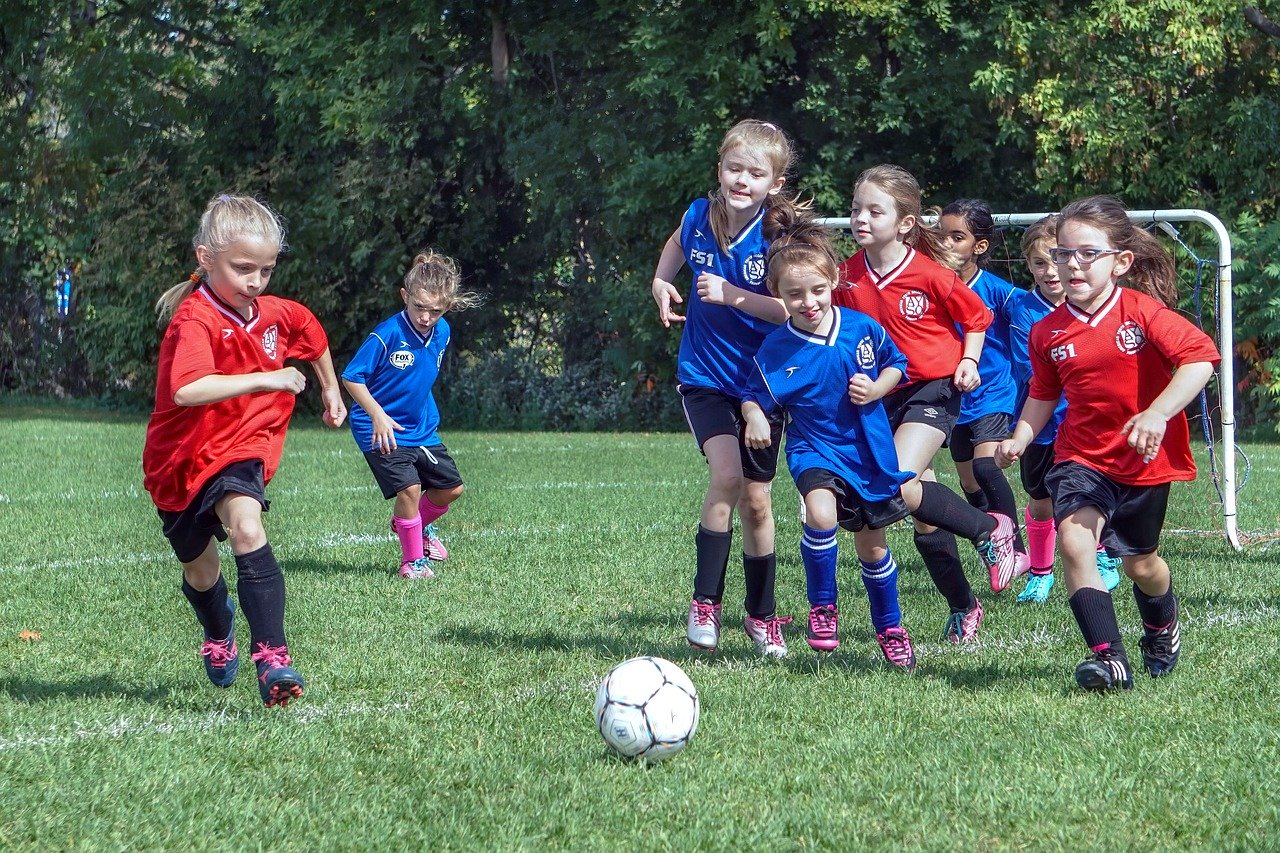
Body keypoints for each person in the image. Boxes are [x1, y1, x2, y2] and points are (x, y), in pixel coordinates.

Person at [996, 196, 1219, 691]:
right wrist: (1020, 436)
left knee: (1142, 563)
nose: (1071, 263)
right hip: (1080, 455)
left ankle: (1161, 624)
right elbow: (1043, 392)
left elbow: (1201, 359)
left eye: (1087, 253)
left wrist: (1157, 413)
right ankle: (1109, 658)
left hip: (1143, 462)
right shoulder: (1047, 330)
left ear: (1120, 262)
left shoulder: (1142, 312)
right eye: (1062, 254)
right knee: (1074, 537)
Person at [143, 193, 347, 708]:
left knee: (248, 527)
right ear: (204, 258)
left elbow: (311, 332)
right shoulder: (196, 320)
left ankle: (273, 658)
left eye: (266, 269)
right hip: (179, 461)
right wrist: (268, 378)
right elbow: (188, 390)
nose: (255, 281)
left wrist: (330, 389)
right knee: (201, 570)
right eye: (242, 268)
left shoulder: (274, 313)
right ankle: (218, 628)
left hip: (240, 450)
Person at [833, 165, 1023, 643]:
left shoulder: (929, 272)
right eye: (856, 208)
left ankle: (989, 531)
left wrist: (970, 360)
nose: (860, 218)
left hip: (934, 387)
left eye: (875, 210)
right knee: (919, 508)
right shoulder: (846, 277)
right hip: (881, 395)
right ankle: (964, 606)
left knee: (896, 479)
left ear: (905, 223)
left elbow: (975, 316)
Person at [649, 119, 801, 657]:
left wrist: (734, 295)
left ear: (773, 184)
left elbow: (790, 310)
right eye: (734, 168)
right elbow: (676, 242)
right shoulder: (699, 214)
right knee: (728, 476)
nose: (742, 180)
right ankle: (705, 604)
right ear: (720, 169)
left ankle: (762, 617)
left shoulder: (778, 238)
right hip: (706, 377)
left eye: (755, 173)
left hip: (763, 381)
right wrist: (663, 278)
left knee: (758, 502)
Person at [741, 220, 918, 669]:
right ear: (778, 295)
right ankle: (823, 608)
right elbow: (751, 395)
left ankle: (890, 628)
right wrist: (756, 416)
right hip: (814, 448)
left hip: (869, 452)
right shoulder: (777, 348)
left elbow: (897, 364)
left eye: (817, 290)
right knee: (820, 513)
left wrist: (878, 388)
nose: (808, 302)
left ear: (834, 281)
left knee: (872, 547)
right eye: (795, 295)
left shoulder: (862, 329)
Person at [342, 251, 480, 579]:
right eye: (419, 307)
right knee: (410, 490)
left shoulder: (442, 331)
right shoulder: (387, 333)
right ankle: (413, 562)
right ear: (405, 296)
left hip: (420, 427)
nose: (426, 317)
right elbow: (351, 376)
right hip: (378, 426)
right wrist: (376, 414)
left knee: (451, 489)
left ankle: (413, 524)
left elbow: (420, 375)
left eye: (436, 310)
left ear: (448, 307)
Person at [1007, 216, 1122, 603]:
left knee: (1092, 494)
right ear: (1030, 267)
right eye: (1038, 263)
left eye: (1051, 261)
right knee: (1041, 500)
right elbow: (1034, 371)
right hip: (1041, 423)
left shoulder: (1098, 305)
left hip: (1085, 424)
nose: (1048, 271)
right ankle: (1041, 574)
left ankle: (1102, 554)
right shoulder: (1025, 311)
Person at [938, 200, 1027, 563]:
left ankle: (1016, 551)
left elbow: (1035, 311)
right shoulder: (931, 285)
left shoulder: (999, 292)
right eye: (941, 235)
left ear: (980, 246)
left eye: (957, 237)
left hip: (993, 391)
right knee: (969, 483)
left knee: (985, 468)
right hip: (954, 397)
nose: (946, 244)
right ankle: (991, 541)